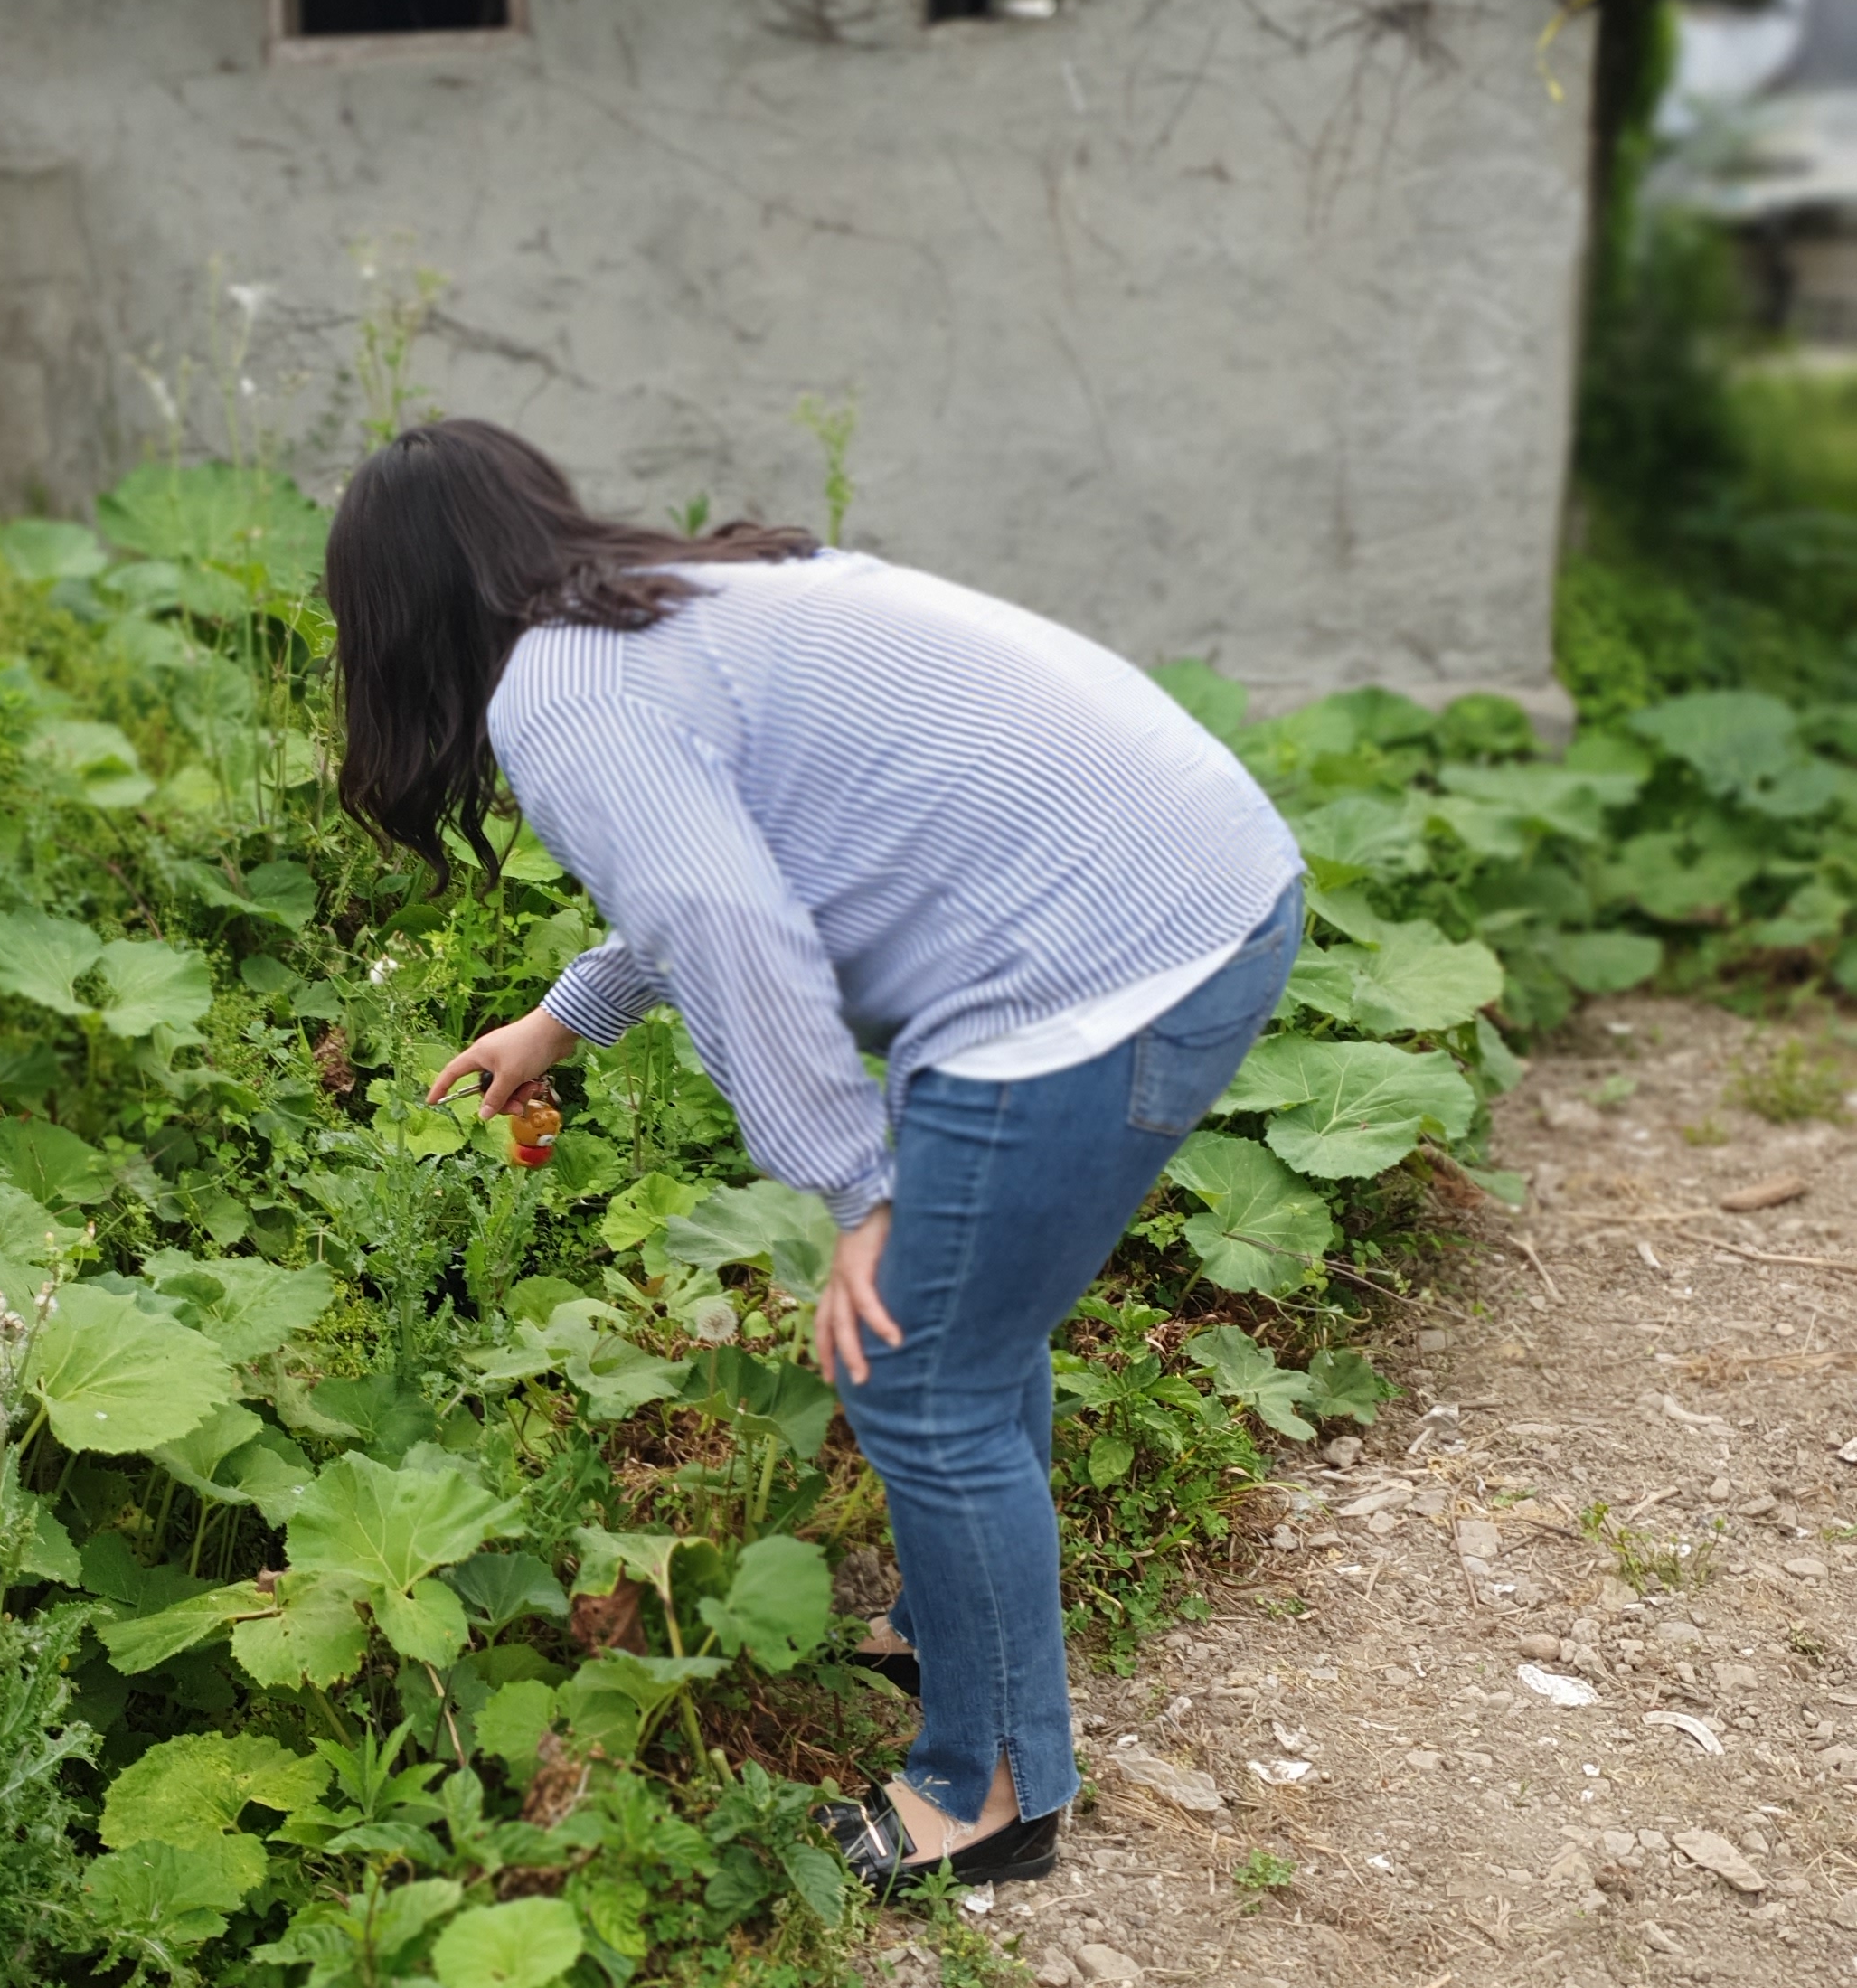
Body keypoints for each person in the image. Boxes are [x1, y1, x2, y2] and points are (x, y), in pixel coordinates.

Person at [322, 419, 1301, 1892]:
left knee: (915, 1361)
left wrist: (859, 1185)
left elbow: (728, 923)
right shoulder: (668, 598)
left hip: (1094, 966)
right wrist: (565, 1016)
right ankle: (947, 1627)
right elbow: (740, 852)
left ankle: (991, 1788)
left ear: (394, 620)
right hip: (1200, 882)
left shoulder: (562, 692)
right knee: (967, 1326)